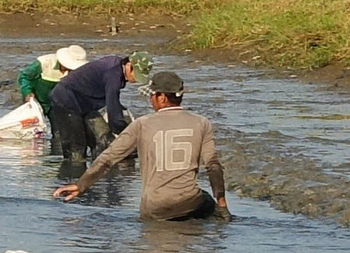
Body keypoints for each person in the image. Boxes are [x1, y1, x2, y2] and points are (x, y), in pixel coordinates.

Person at [54, 71, 229, 220]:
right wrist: (222, 206)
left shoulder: (142, 124)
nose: (150, 100)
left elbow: (107, 159)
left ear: (161, 97)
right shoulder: (201, 123)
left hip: (153, 207)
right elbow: (213, 166)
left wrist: (81, 185)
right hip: (188, 202)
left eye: (152, 95)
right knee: (207, 206)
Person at [49, 50, 150, 179]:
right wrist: (129, 133)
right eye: (136, 75)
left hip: (86, 103)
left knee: (104, 140)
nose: (135, 80)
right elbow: (114, 115)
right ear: (129, 65)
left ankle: (99, 180)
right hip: (66, 101)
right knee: (76, 151)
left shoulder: (117, 70)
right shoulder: (113, 74)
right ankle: (73, 182)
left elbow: (114, 104)